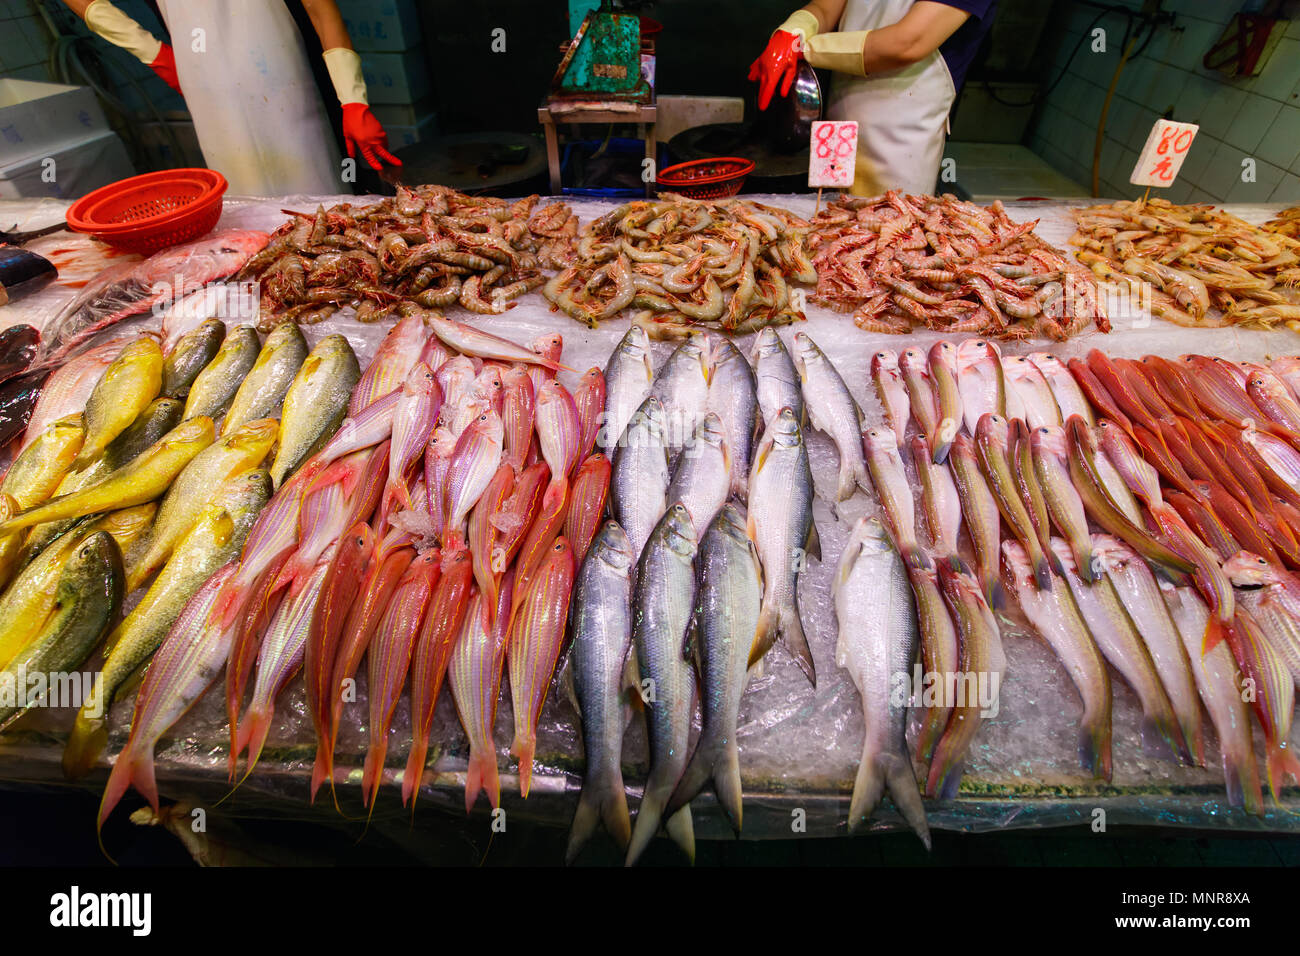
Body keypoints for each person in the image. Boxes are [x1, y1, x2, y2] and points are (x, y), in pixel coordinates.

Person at [62, 0, 401, 195]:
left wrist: (352, 98)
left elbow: (318, 6)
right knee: (243, 202)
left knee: (324, 194)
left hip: (287, 71)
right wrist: (152, 51)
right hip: (207, 77)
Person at [750, 0, 998, 197]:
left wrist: (801, 48)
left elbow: (908, 42)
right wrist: (795, 29)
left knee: (887, 241)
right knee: (826, 228)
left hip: (899, 144)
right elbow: (825, 8)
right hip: (839, 131)